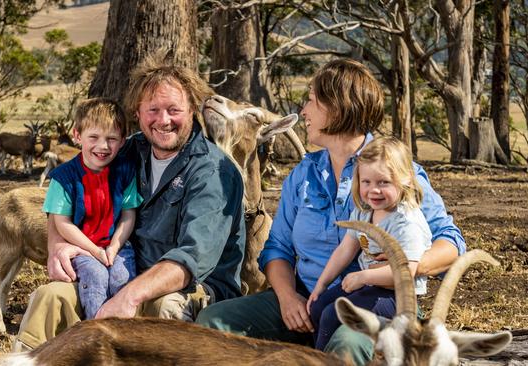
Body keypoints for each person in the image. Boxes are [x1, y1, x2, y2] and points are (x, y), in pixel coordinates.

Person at [196, 59, 466, 364]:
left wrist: (405, 266)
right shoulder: (303, 175)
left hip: (374, 304)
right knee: (212, 322)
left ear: (336, 108)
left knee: (345, 346)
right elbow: (277, 249)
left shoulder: (396, 170)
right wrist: (287, 298)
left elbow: (450, 242)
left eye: (311, 101)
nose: (304, 112)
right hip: (309, 299)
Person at [12, 54, 246, 351]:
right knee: (50, 297)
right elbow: (71, 182)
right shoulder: (129, 150)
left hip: (192, 287)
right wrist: (57, 245)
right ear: (138, 111)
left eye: (174, 110)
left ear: (192, 110)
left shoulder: (213, 172)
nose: (163, 120)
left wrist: (128, 296)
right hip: (121, 272)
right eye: (153, 110)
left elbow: (191, 259)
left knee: (164, 307)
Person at [306, 136, 432, 351]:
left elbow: (405, 273)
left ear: (406, 180)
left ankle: (320, 359)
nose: (374, 190)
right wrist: (322, 284)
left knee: (331, 314)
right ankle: (317, 350)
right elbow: (346, 248)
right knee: (318, 307)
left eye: (383, 182)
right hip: (370, 287)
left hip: (397, 298)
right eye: (367, 182)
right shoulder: (365, 212)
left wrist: (363, 276)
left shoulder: (406, 221)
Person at [43, 98, 142, 320]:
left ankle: (124, 332)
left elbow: (128, 215)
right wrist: (93, 251)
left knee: (121, 276)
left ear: (123, 141)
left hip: (115, 244)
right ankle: (96, 330)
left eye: (112, 139)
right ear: (77, 136)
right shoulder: (64, 177)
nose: (103, 146)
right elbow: (62, 223)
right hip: (81, 245)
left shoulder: (125, 171)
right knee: (96, 275)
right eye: (94, 137)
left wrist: (115, 246)